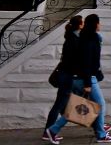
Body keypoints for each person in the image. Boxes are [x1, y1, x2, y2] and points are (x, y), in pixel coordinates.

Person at [47, 13, 111, 143]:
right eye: (98, 22)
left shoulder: (85, 37)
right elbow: (87, 62)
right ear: (95, 24)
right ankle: (101, 134)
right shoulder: (91, 39)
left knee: (79, 107)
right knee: (99, 105)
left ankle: (53, 130)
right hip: (87, 78)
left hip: (80, 78)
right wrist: (88, 83)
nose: (100, 25)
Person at [42, 15, 83, 143]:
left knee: (61, 105)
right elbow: (73, 60)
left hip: (66, 75)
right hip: (67, 77)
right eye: (83, 22)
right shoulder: (73, 40)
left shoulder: (72, 37)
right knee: (59, 105)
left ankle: (50, 130)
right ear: (80, 25)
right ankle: (49, 131)